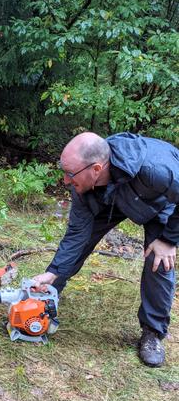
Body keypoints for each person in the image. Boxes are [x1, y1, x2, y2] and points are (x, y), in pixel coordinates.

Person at [32, 132, 178, 367]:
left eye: (70, 174)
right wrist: (54, 272)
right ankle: (45, 301)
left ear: (97, 168)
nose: (65, 181)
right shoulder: (84, 182)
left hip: (158, 200)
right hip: (111, 196)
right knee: (82, 240)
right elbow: (76, 235)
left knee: (159, 259)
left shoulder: (157, 169)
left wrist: (169, 240)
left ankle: (153, 332)